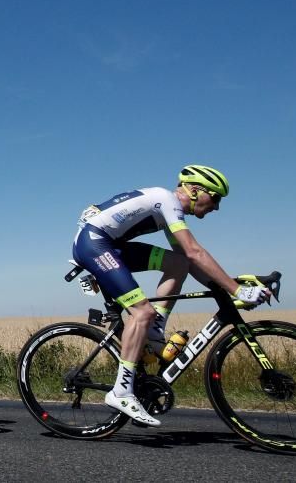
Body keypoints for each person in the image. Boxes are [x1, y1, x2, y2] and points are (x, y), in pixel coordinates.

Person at [72, 165, 270, 426]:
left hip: (112, 245)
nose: (217, 207)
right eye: (216, 198)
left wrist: (223, 286)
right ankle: (121, 392)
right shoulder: (167, 201)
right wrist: (238, 290)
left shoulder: (167, 209)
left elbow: (189, 260)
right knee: (141, 311)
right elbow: (195, 251)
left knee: (177, 263)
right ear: (196, 191)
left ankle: (154, 330)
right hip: (93, 244)